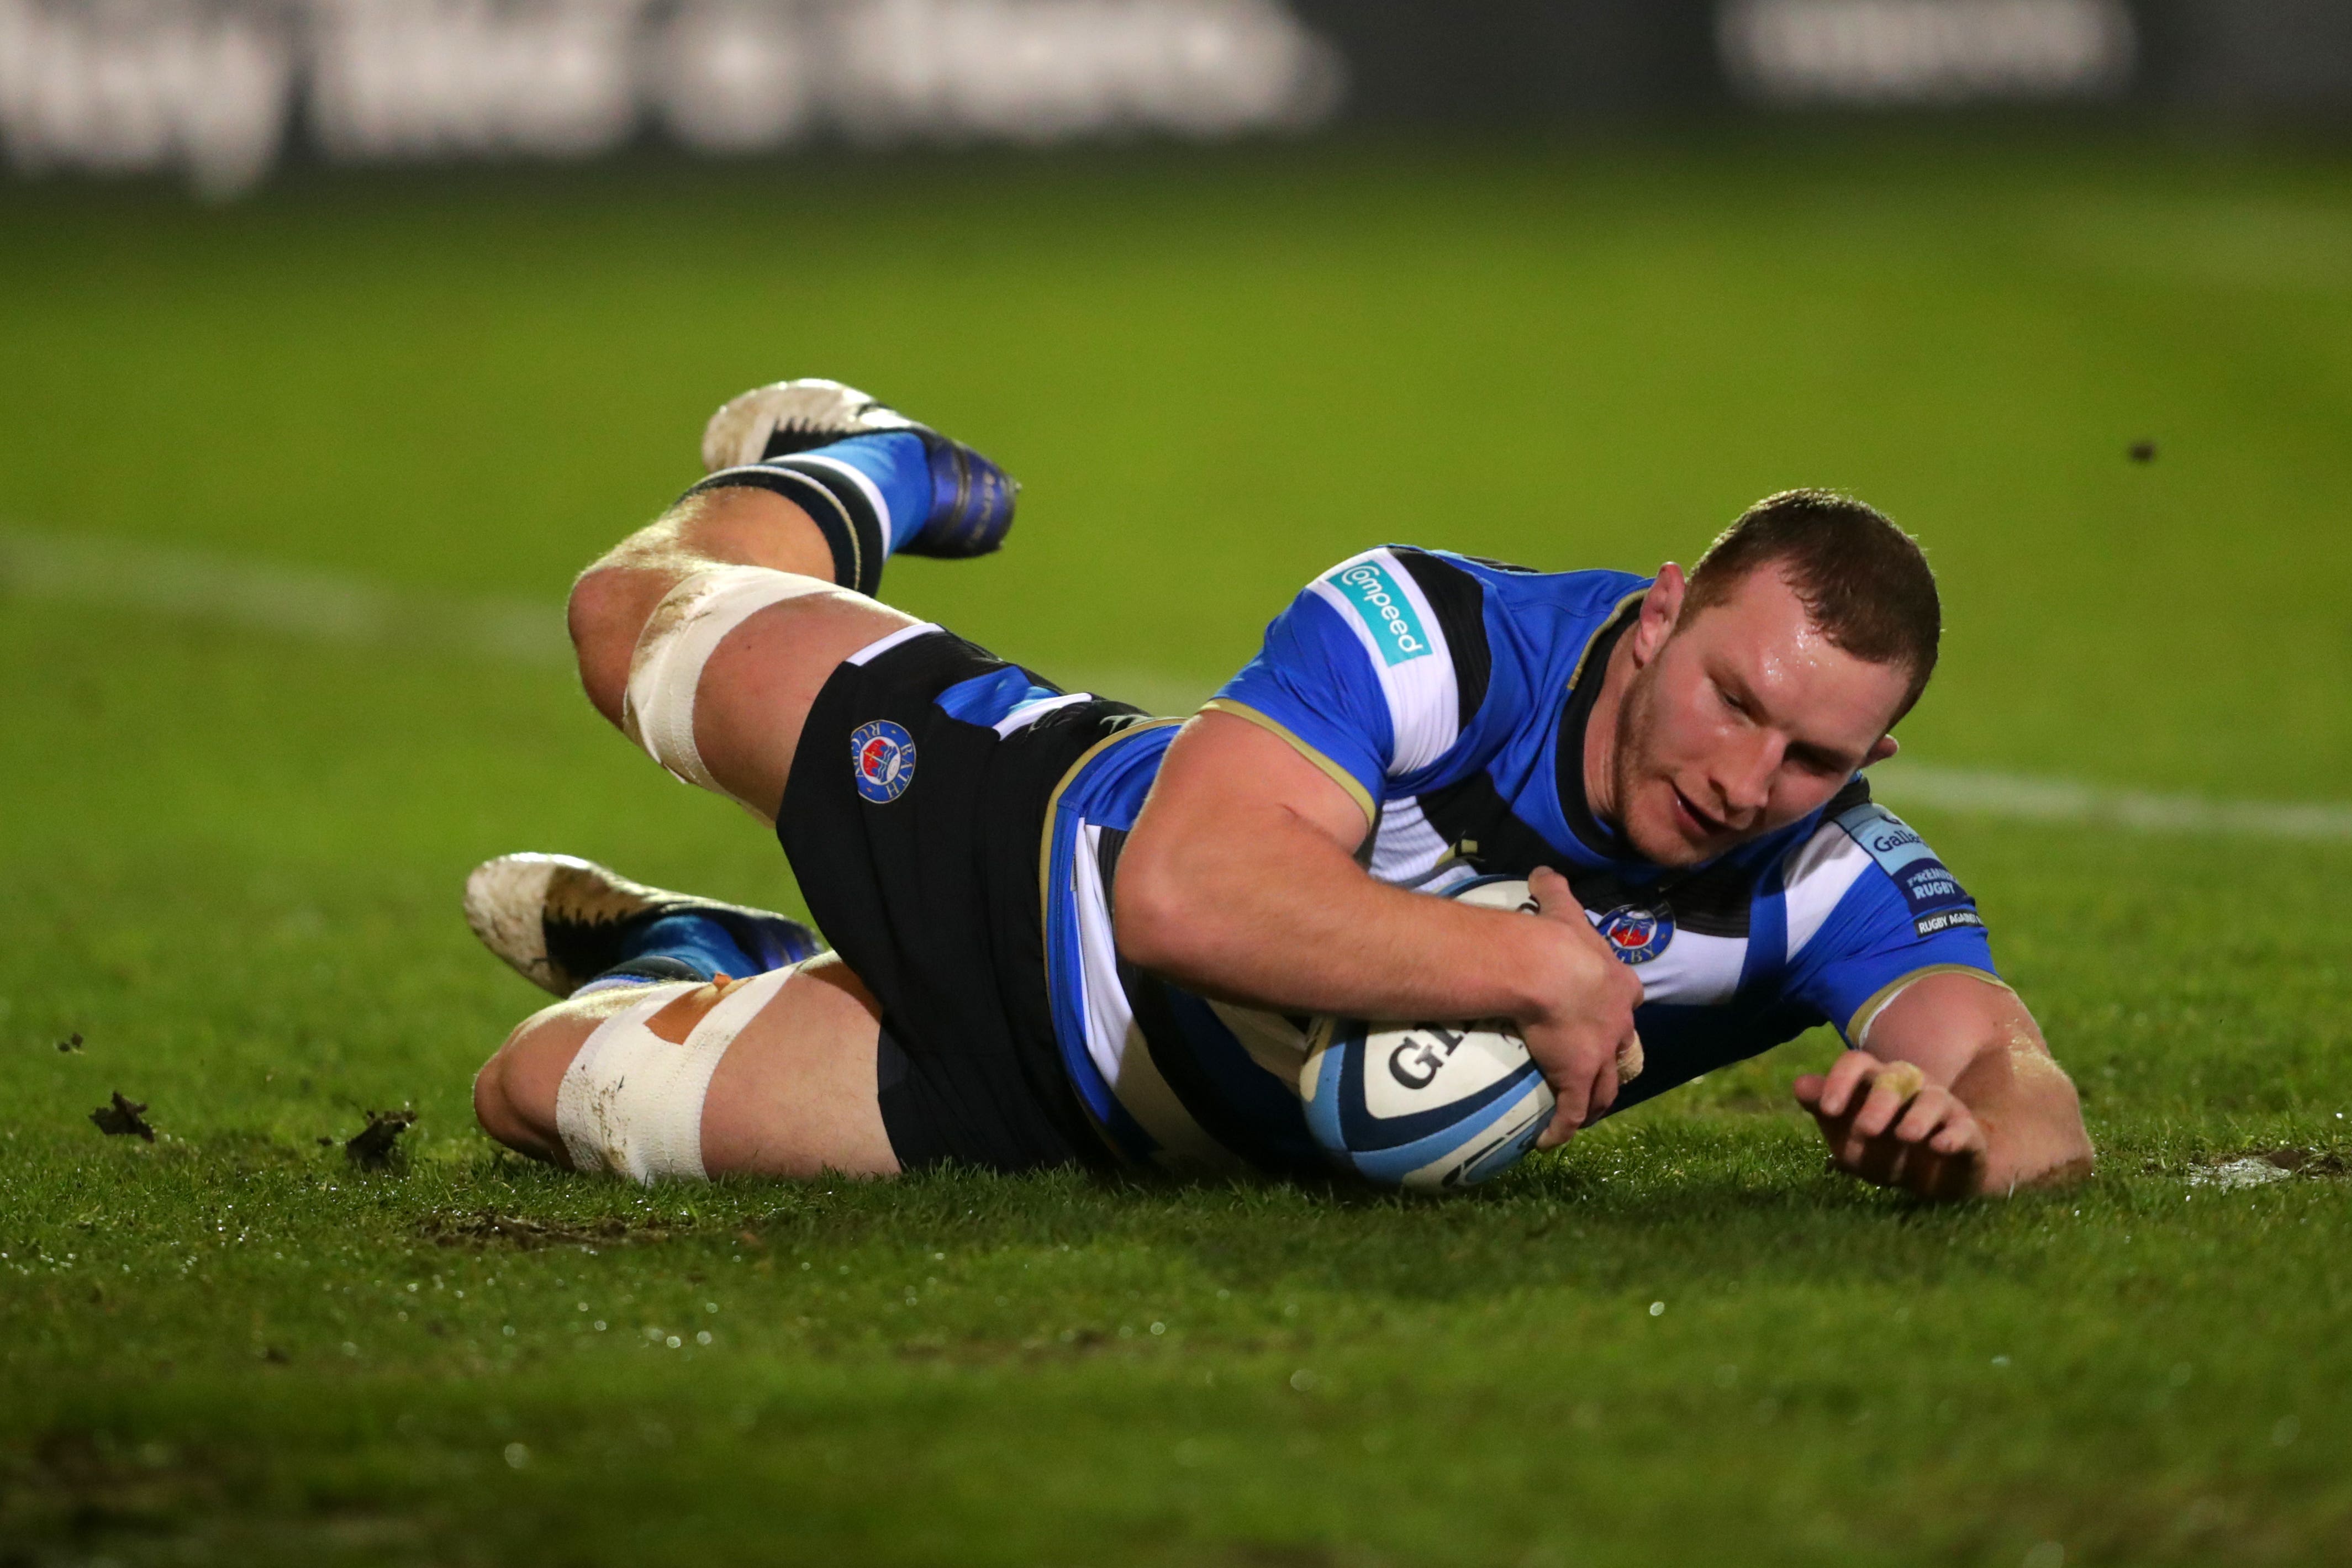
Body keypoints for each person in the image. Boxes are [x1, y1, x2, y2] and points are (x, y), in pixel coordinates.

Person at [468, 378, 2093, 1201]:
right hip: (1027, 850)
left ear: (1865, 765)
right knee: (625, 624)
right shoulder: (1443, 635)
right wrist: (1532, 963)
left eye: (1813, 757)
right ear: (1662, 616)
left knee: (535, 1091)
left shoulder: (1827, 879)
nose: (1750, 779)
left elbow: (2016, 1077)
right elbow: (1178, 897)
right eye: (1733, 699)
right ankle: (855, 467)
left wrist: (1956, 1140)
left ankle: (710, 953)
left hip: (1072, 1130)